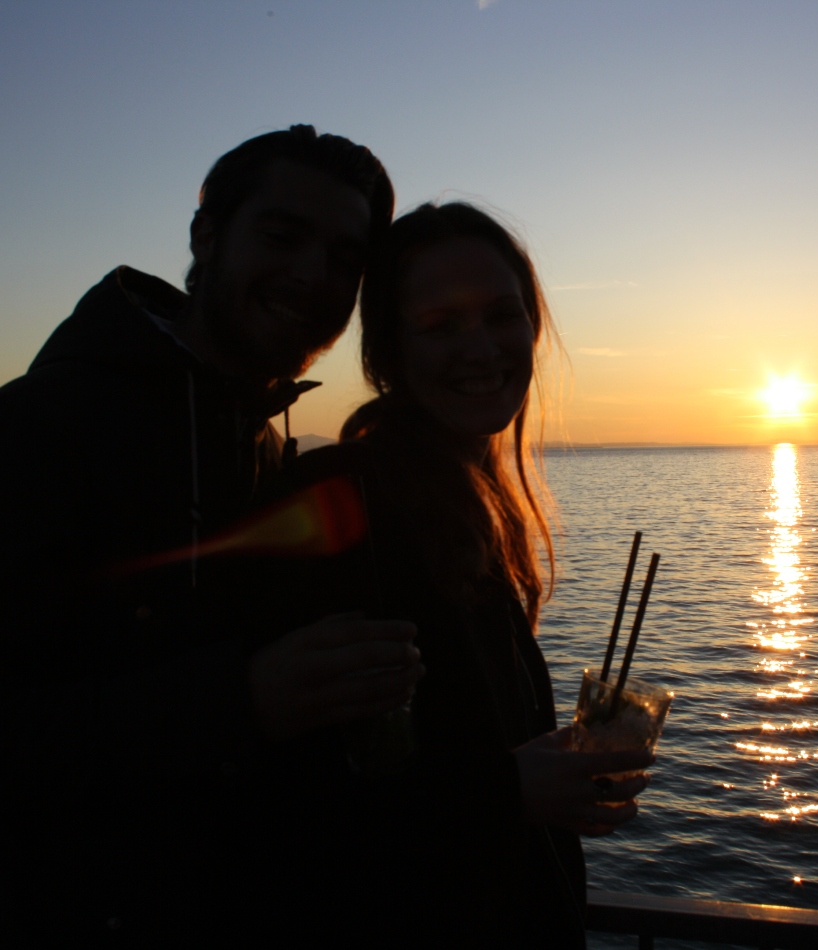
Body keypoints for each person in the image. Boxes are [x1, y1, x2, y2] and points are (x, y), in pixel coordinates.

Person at [0, 126, 426, 947]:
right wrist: (239, 699)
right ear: (206, 236)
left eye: (343, 258)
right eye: (281, 237)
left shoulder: (261, 443)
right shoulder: (32, 430)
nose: (312, 276)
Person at [264, 202, 654, 947]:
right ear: (389, 353)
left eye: (501, 315)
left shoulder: (468, 506)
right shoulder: (346, 504)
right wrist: (507, 791)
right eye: (440, 325)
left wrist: (537, 780)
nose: (479, 348)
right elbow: (292, 803)